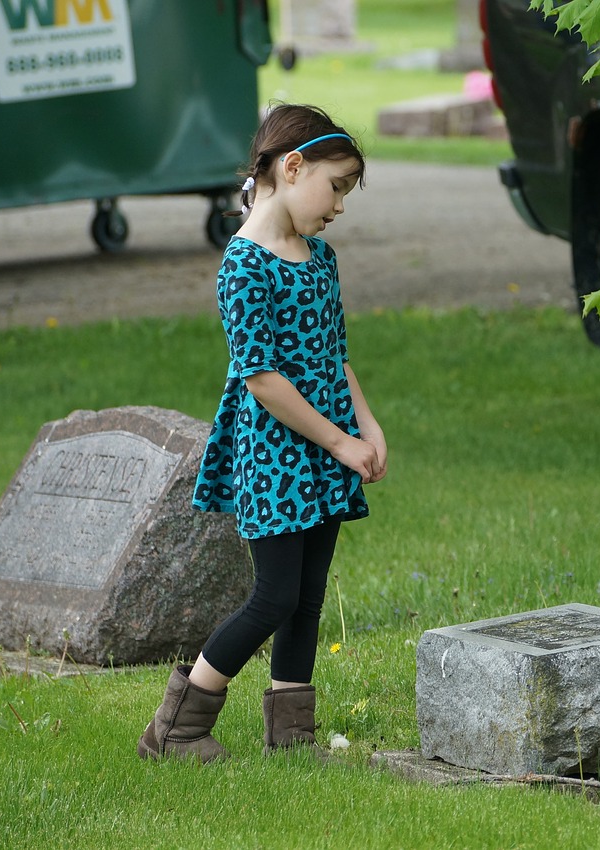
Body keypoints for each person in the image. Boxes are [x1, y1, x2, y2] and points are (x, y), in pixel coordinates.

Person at [138, 104, 387, 763]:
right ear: (293, 166)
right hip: (278, 455)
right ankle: (175, 729)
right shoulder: (244, 267)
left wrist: (366, 424)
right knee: (273, 595)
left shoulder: (321, 259)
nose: (337, 207)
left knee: (307, 596)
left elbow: (335, 354)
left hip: (329, 447)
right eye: (336, 187)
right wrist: (338, 440)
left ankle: (292, 736)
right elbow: (263, 380)